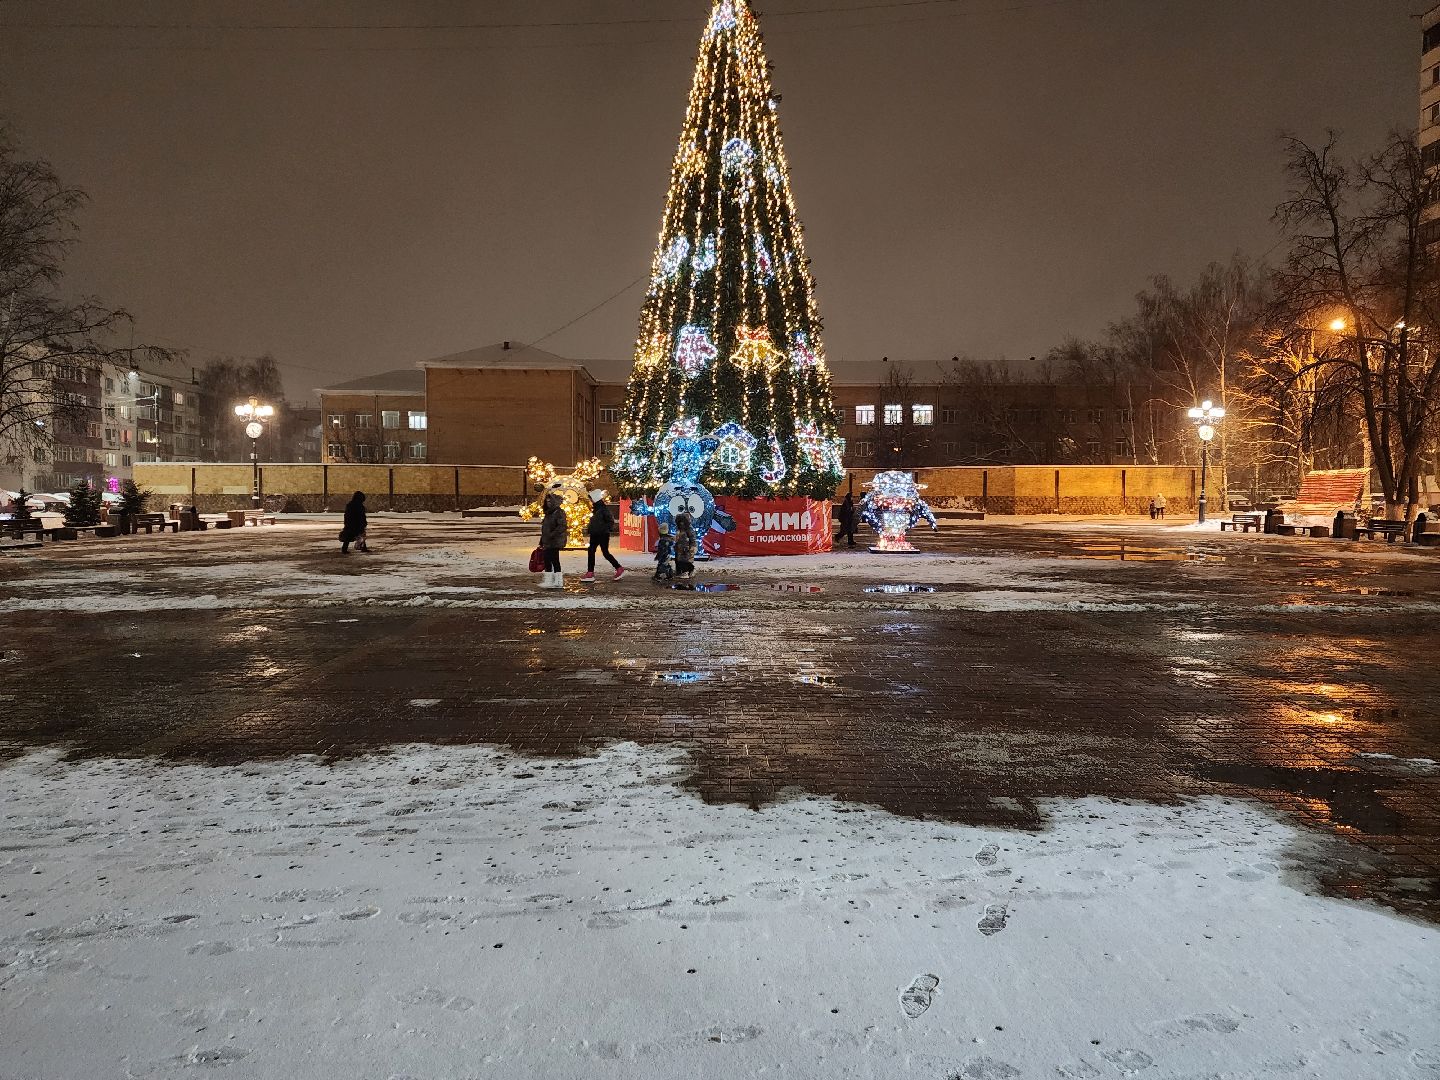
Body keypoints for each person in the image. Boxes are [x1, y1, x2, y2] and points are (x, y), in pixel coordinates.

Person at [581, 489, 626, 582]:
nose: (591, 501)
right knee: (592, 551)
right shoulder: (597, 509)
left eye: (591, 499)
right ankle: (590, 572)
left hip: (602, 534)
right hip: (595, 533)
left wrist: (604, 529)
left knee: (605, 552)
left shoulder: (602, 509)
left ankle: (618, 568)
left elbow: (610, 521)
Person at [538, 491, 568, 589]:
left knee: (555, 560)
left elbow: (562, 526)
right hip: (547, 540)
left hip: (555, 541)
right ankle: (549, 580)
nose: (548, 503)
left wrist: (552, 534)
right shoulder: (548, 513)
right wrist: (542, 540)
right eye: (547, 501)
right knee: (547, 560)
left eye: (550, 501)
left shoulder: (558, 512)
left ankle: (558, 580)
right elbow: (545, 528)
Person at [674, 512, 698, 583]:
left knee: (685, 561)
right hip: (680, 548)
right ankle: (680, 572)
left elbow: (692, 538)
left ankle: (687, 571)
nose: (681, 524)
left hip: (686, 548)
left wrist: (692, 547)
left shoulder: (689, 529)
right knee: (678, 560)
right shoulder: (680, 529)